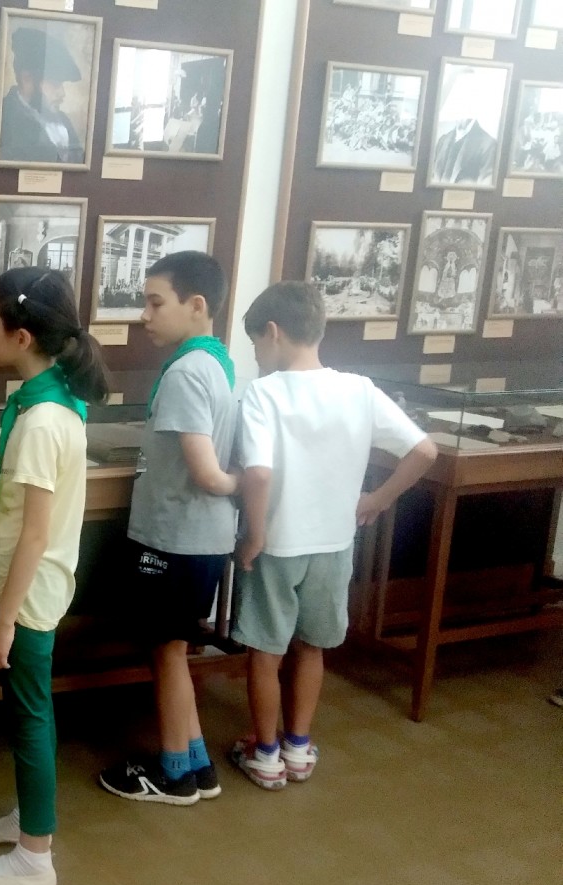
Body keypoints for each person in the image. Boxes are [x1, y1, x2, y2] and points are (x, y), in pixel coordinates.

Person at [230, 283, 437, 789]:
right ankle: (299, 748)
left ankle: (265, 754)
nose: (256, 355)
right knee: (313, 647)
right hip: (335, 542)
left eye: (255, 343)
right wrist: (378, 499)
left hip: (277, 544)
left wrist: (254, 534)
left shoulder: (263, 392)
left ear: (273, 333)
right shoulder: (359, 389)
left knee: (265, 652)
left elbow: (258, 473)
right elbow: (424, 451)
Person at [0, 268, 110, 885]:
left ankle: (34, 858)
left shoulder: (43, 420)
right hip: (29, 591)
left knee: (29, 717)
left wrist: (3, 621)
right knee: (28, 713)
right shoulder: (48, 403)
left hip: (29, 598)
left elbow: (36, 534)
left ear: (21, 337)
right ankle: (29, 819)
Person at [97, 251, 239, 806]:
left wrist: (241, 483)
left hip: (176, 539)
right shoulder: (215, 363)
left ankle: (174, 772)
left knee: (168, 652)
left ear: (196, 305)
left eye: (156, 303)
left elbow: (205, 471)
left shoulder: (185, 372)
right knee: (172, 648)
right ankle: (197, 761)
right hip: (195, 537)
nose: (145, 315)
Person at [0, 27, 85, 165]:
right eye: (55, 83)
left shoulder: (63, 120)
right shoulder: (3, 117)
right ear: (27, 79)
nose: (62, 93)